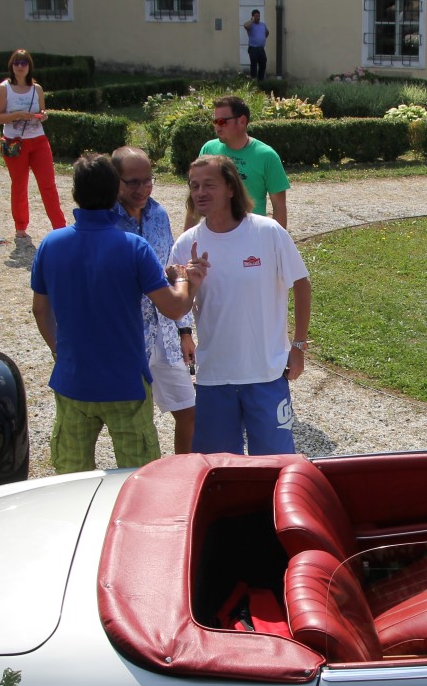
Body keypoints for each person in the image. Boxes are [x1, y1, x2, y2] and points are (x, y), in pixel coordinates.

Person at [31, 153, 209, 474]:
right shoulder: (133, 247)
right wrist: (186, 280)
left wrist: (60, 351)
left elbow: (40, 310)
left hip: (74, 382)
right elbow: (174, 306)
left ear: (74, 193)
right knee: (138, 479)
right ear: (115, 189)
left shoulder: (50, 244)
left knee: (72, 478)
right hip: (126, 383)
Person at [169, 154, 311, 455]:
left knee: (276, 464)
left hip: (265, 374)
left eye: (209, 184)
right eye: (194, 186)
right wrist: (191, 284)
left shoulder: (267, 232)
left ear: (231, 188)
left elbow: (301, 284)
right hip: (215, 377)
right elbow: (177, 310)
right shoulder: (186, 244)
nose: (200, 193)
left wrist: (297, 347)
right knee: (219, 469)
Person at [113, 145, 197, 454]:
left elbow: (173, 270)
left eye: (148, 180)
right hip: (130, 339)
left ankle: (184, 478)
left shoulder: (158, 214)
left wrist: (184, 330)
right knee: (138, 425)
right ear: (115, 181)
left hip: (166, 332)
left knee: (190, 413)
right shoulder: (105, 220)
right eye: (132, 182)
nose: (142, 189)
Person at [0, 50, 66, 237]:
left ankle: (60, 227)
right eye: (16, 62)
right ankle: (21, 226)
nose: (19, 66)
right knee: (19, 185)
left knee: (48, 185)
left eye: (23, 63)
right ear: (11, 66)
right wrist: (17, 115)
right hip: (15, 142)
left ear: (29, 66)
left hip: (38, 140)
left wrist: (43, 116)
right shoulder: (3, 88)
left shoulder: (36, 88)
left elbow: (41, 110)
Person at [199, 95, 289, 228]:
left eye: (222, 122)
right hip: (215, 235)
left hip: (252, 236)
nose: (217, 127)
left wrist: (277, 244)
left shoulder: (267, 156)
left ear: (242, 121)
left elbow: (279, 206)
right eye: (215, 121)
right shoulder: (208, 149)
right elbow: (195, 201)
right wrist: (186, 241)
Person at [243, 9, 269, 81]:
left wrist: (263, 38)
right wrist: (252, 20)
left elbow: (267, 32)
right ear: (253, 17)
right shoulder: (250, 25)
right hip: (253, 48)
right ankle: (253, 79)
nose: (258, 17)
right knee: (254, 63)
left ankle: (260, 80)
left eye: (259, 16)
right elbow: (245, 26)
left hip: (261, 48)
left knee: (263, 63)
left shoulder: (262, 25)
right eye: (256, 16)